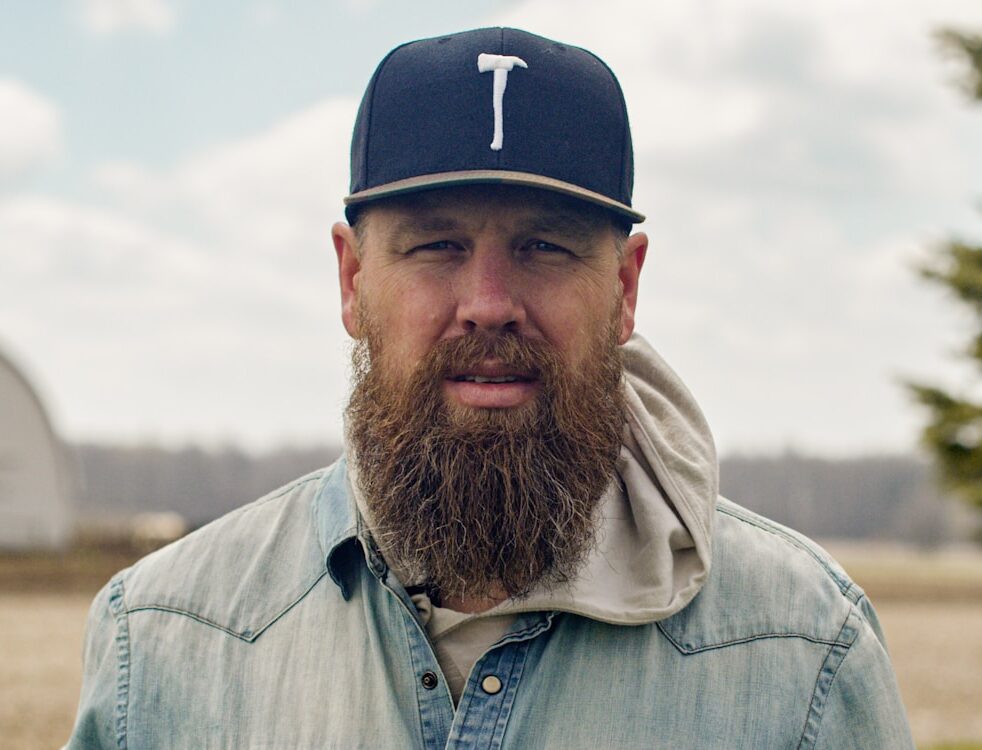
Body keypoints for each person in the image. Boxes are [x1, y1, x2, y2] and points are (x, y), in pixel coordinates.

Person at [67, 27, 914, 748]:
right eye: (435, 246)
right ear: (351, 279)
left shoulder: (803, 656)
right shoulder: (164, 644)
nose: (488, 305)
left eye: (545, 246)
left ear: (625, 289)